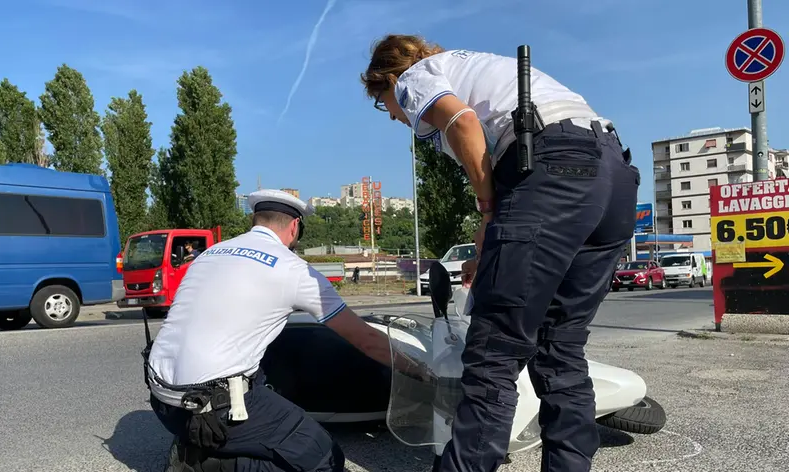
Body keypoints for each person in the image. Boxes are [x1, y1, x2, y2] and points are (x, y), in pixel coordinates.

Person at [361, 35, 639, 472]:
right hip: (613, 175)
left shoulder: (414, 78)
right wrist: (491, 238)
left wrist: (487, 208)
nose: (394, 114)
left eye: (384, 104)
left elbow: (464, 124)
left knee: (494, 352)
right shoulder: (478, 68)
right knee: (560, 348)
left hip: (552, 164)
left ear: (387, 80)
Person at [144, 189, 428, 471]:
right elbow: (365, 340)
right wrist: (417, 369)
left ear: (255, 221)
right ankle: (203, 463)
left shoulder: (208, 255)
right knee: (324, 458)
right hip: (213, 412)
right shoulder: (294, 270)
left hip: (163, 403)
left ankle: (196, 446)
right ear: (294, 227)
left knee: (264, 374)